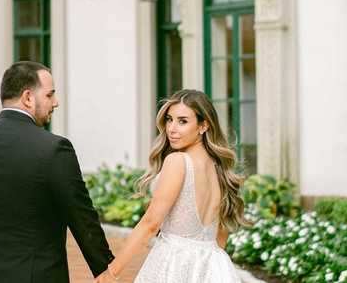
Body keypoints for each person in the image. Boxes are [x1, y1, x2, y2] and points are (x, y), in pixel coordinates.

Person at [0, 61, 114, 282]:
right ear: (28, 97)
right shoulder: (54, 149)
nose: (56, 102)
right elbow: (82, 218)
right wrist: (105, 269)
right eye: (49, 95)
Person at [95, 89, 246, 283]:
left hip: (174, 264)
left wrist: (111, 273)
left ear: (203, 126)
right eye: (169, 119)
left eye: (182, 121)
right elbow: (221, 235)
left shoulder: (178, 162)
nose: (172, 129)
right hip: (214, 266)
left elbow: (151, 223)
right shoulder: (220, 169)